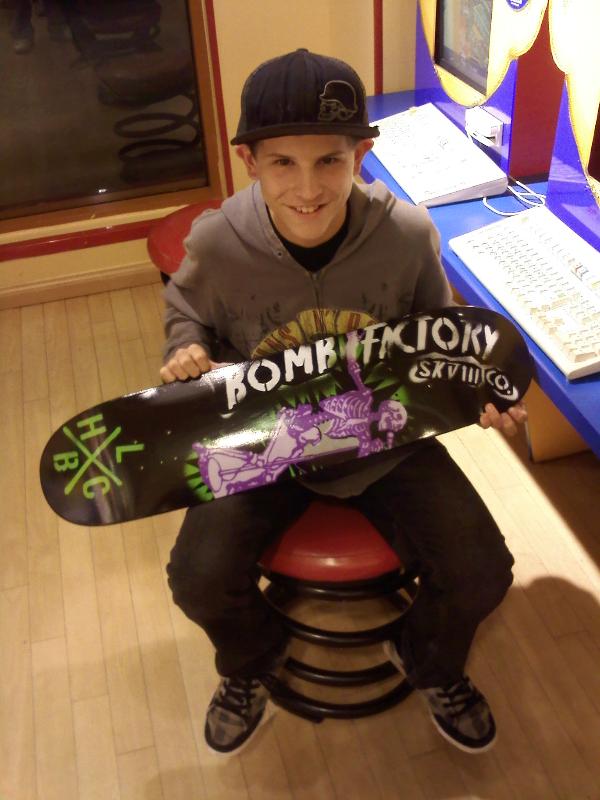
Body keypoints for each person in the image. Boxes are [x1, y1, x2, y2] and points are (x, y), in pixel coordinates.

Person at [161, 48, 527, 756]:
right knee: (198, 579)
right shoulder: (217, 242)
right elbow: (187, 312)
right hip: (266, 442)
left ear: (360, 154)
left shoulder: (409, 236)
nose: (308, 188)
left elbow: (440, 341)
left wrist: (480, 392)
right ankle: (252, 663)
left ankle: (427, 660)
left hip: (383, 439)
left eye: (329, 160)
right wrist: (186, 350)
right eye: (283, 163)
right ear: (249, 161)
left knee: (483, 569)